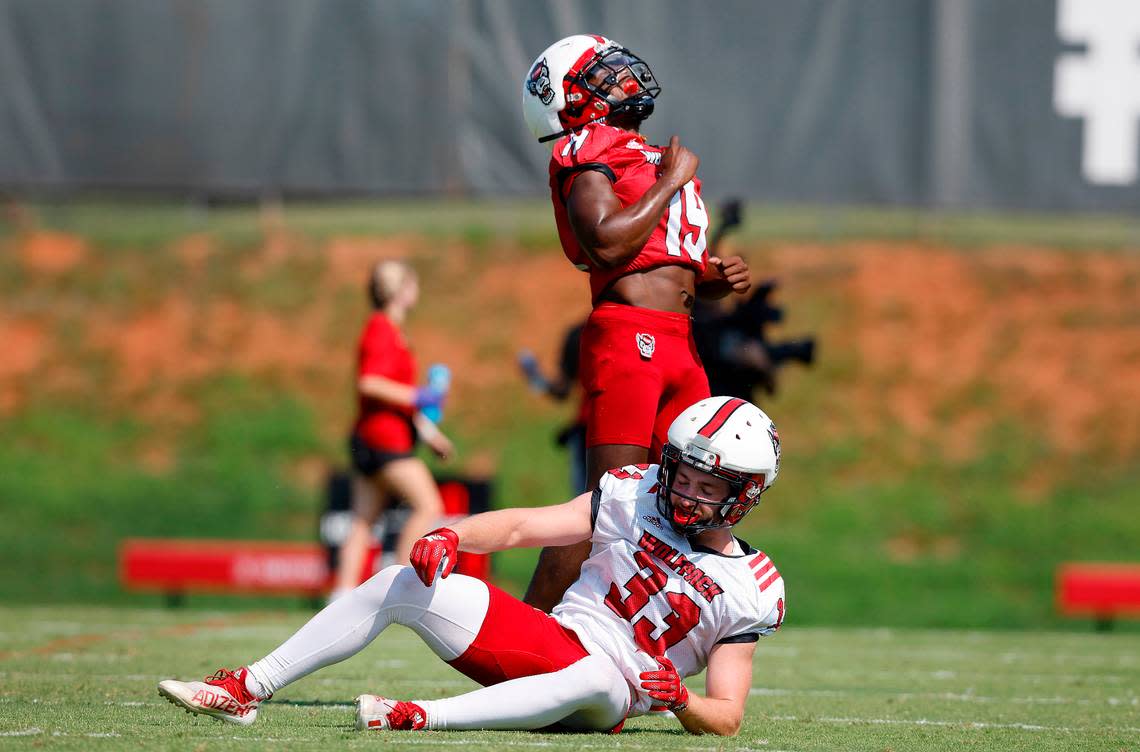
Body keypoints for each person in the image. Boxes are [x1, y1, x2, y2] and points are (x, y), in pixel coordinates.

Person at [156, 396, 786, 737]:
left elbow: (726, 716)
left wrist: (680, 701)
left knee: (600, 679)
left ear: (745, 494)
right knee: (406, 581)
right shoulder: (633, 492)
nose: (685, 493)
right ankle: (247, 688)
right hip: (552, 644)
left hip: (609, 696)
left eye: (709, 486)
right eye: (684, 473)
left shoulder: (751, 587)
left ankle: (422, 717)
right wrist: (452, 535)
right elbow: (518, 526)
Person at [521, 34, 754, 610]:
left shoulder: (651, 155)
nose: (621, 75)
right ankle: (523, 635)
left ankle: (638, 640)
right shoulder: (585, 148)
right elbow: (603, 243)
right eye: (601, 72)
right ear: (571, 98)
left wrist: (710, 277)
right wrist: (669, 183)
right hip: (631, 338)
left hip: (681, 343)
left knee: (691, 504)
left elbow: (663, 265)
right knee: (608, 509)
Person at [330, 260, 454, 601]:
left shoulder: (389, 330)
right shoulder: (382, 329)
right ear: (401, 291)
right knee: (428, 506)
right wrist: (419, 394)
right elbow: (369, 382)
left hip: (374, 437)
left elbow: (394, 394)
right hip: (385, 439)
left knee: (362, 520)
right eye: (412, 284)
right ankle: (399, 591)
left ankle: (340, 596)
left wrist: (429, 434)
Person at [518, 320, 588, 494]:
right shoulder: (581, 333)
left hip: (590, 432)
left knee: (587, 500)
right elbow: (563, 390)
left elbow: (562, 390)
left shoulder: (582, 332)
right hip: (590, 431)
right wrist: (536, 378)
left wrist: (536, 378)